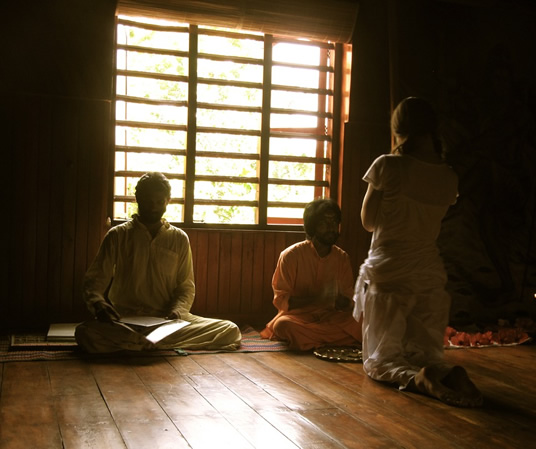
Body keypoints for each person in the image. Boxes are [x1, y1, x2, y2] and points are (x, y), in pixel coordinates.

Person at [353, 97, 483, 407]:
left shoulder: (387, 165)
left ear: (397, 128)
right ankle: (446, 372)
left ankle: (418, 380)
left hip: (389, 271)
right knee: (422, 352)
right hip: (427, 271)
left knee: (379, 361)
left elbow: (368, 222)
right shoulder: (448, 176)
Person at [75, 172, 241, 353]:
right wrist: (99, 305)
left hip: (167, 322)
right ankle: (149, 343)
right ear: (137, 199)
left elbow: (186, 286)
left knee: (229, 330)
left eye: (159, 202)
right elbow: (94, 281)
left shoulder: (178, 239)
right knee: (85, 332)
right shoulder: (118, 235)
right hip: (125, 321)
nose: (153, 208)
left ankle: (138, 344)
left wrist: (177, 311)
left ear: (168, 201)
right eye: (148, 202)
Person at [260, 199, 362, 350]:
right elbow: (282, 301)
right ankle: (338, 340)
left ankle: (310, 342)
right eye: (324, 223)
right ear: (312, 226)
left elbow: (349, 301)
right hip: (298, 318)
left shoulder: (342, 258)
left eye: (334, 222)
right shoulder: (291, 255)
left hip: (331, 317)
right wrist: (318, 298)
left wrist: (340, 301)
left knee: (363, 321)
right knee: (283, 325)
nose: (331, 228)